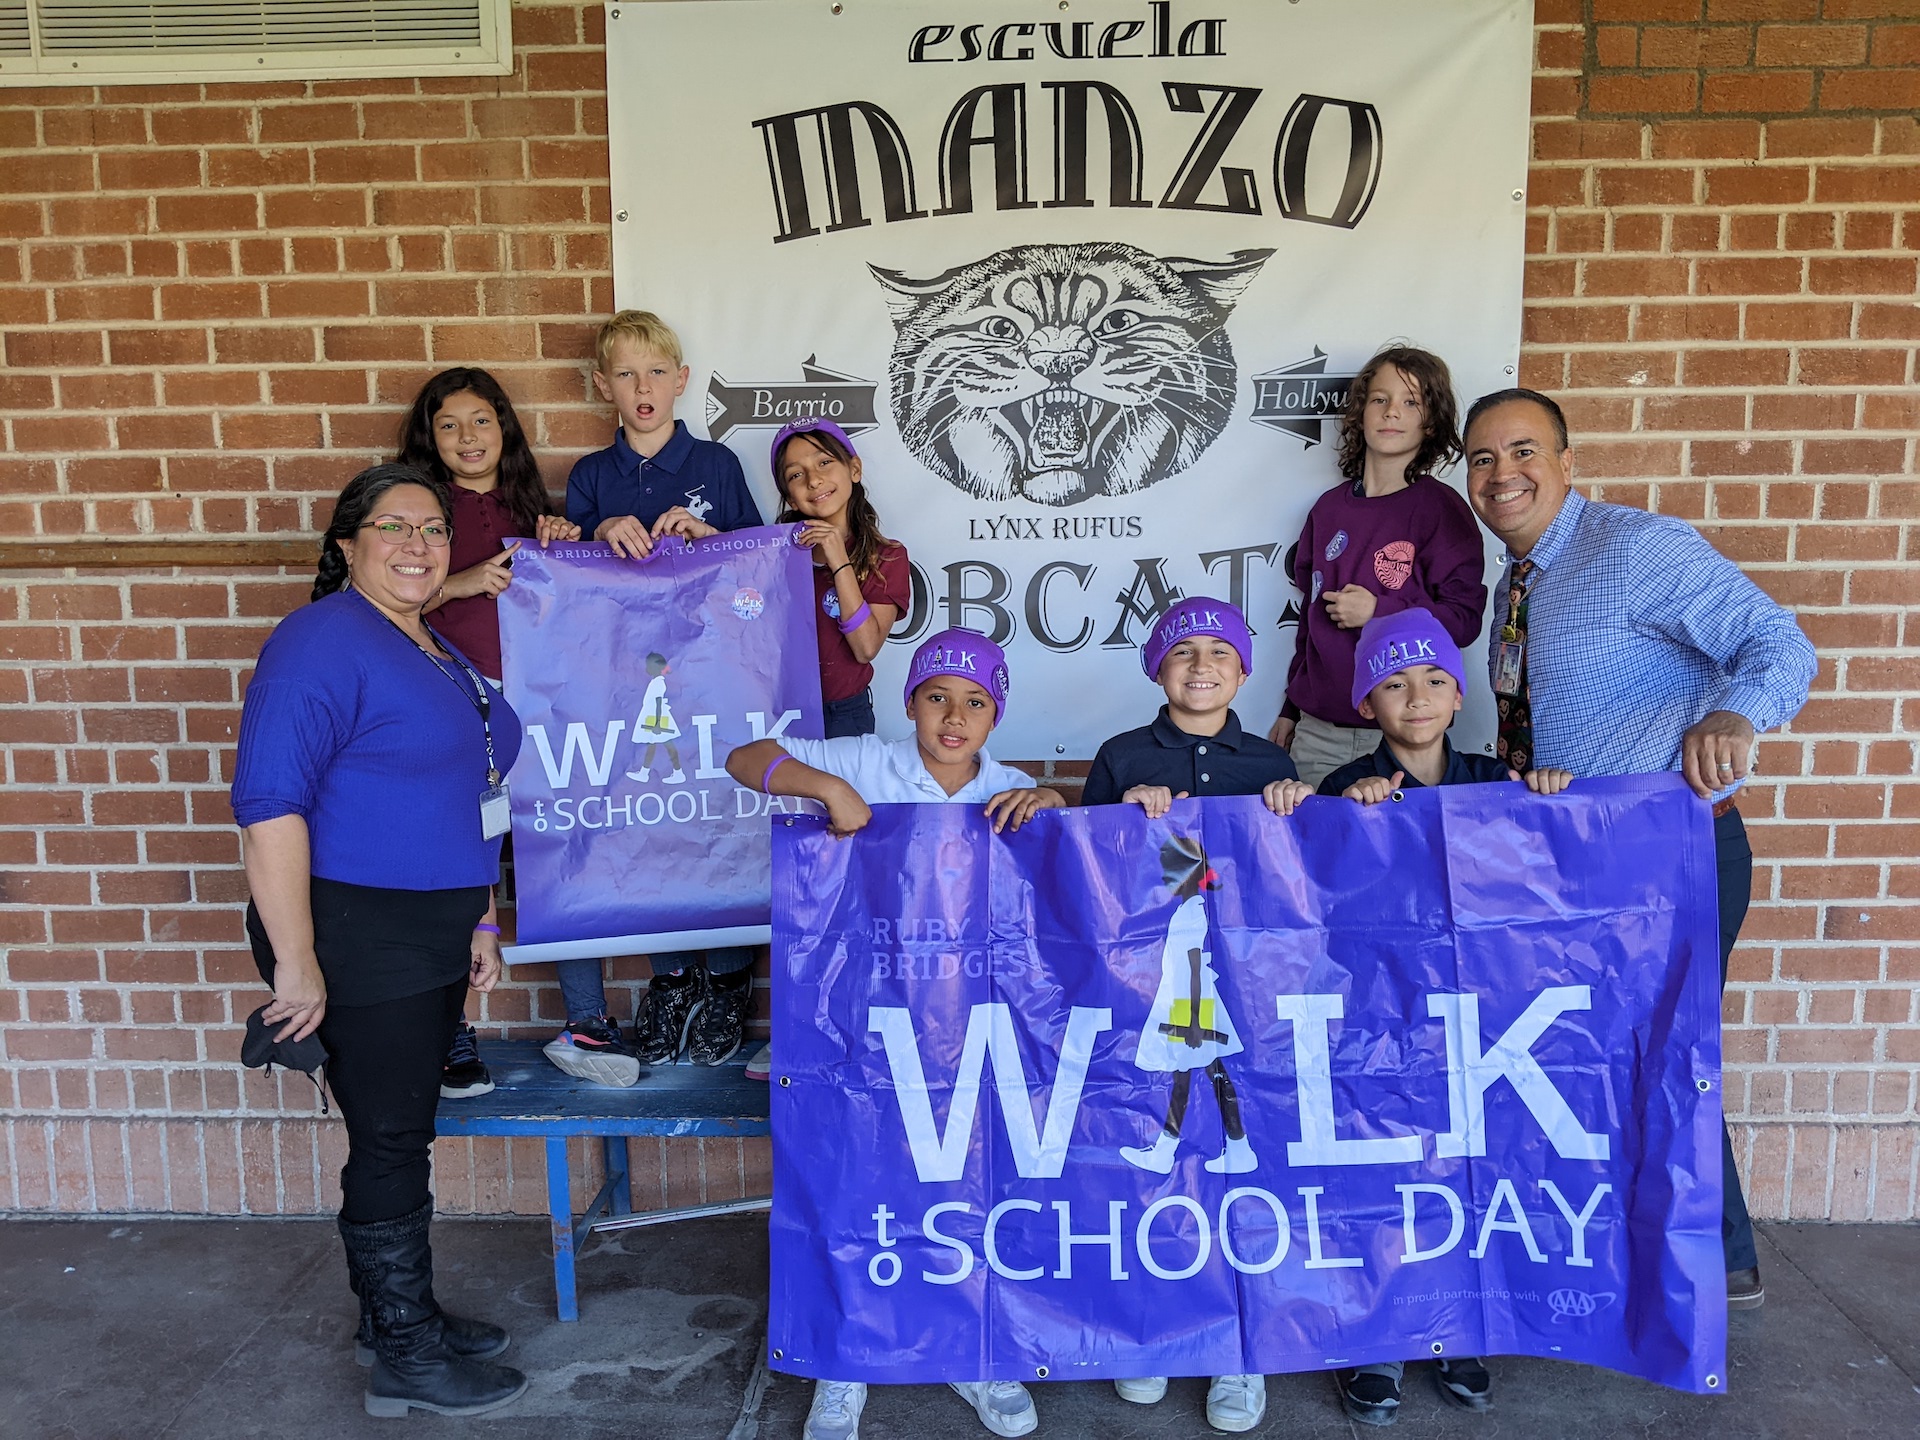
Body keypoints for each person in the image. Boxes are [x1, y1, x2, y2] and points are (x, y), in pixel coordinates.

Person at [1462, 387, 1817, 1314]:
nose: (1504, 476)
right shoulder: (1517, 582)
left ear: (1568, 462)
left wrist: (1737, 712)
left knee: (1661, 1048)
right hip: (1575, 858)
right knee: (1612, 1048)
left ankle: (1715, 1262)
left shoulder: (1634, 549)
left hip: (1672, 846)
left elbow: (1778, 641)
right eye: (1484, 459)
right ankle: (1672, 1249)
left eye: (1525, 452)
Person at [231, 464, 528, 1419]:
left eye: (434, 528)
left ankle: (400, 1316)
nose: (418, 543)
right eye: (392, 526)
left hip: (430, 926)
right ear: (347, 545)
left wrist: (480, 914)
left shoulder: (427, 643)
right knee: (392, 1136)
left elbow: (463, 793)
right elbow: (269, 804)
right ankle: (403, 1351)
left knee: (403, 1128)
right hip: (356, 928)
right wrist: (297, 960)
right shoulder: (318, 644)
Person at [726, 628, 1064, 1440]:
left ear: (997, 715)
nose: (954, 717)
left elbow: (1064, 889)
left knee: (976, 1188)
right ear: (910, 702)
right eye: (937, 696)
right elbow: (744, 758)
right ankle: (845, 1364)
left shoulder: (1011, 785)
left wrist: (1052, 808)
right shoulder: (869, 762)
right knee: (852, 1183)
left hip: (973, 1031)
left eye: (975, 702)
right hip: (861, 1024)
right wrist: (822, 787)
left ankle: (977, 1353)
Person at [1316, 607, 1571, 1427]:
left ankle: (1460, 1324)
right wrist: (1344, 819)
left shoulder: (1498, 783)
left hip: (1477, 1018)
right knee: (1383, 1169)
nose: (1415, 696)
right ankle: (1377, 1339)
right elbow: (1311, 892)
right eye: (1392, 683)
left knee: (1468, 1167)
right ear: (1367, 705)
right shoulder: (1344, 785)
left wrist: (1547, 803)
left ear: (1458, 696)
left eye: (1431, 680)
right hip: (1378, 1016)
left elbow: (1545, 880)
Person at [1080, 596, 1311, 1435]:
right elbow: (1091, 877)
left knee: (1247, 1183)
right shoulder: (1120, 755)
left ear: (1244, 671)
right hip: (1156, 971)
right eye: (1183, 653)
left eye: (1221, 652)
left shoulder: (1266, 761)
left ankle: (1240, 1354)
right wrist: (1120, 818)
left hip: (1245, 978)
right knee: (1157, 1175)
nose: (1202, 665)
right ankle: (1161, 1336)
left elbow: (1295, 881)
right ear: (1156, 669)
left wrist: (1295, 806)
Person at [551, 310, 767, 1084]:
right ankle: (672, 980)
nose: (643, 388)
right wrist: (597, 529)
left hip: (714, 682)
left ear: (681, 381)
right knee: (650, 821)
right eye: (626, 374)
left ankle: (730, 979)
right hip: (624, 686)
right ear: (604, 386)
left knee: (719, 811)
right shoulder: (590, 476)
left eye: (656, 372)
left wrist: (710, 541)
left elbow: (760, 576)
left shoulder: (717, 464)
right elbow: (561, 591)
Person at [395, 366, 581, 1099]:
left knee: (562, 842)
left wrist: (563, 543)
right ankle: (451, 1031)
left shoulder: (528, 505)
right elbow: (381, 595)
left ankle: (588, 1020)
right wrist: (464, 582)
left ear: (503, 428)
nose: (467, 437)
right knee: (455, 863)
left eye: (481, 421)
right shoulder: (417, 510)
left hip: (533, 706)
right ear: (428, 438)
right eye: (449, 425)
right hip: (447, 700)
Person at [1269, 346, 1488, 787]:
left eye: (1412, 402)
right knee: (1318, 852)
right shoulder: (1327, 510)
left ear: (1431, 422)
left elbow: (1463, 621)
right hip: (1319, 733)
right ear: (1361, 412)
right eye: (1380, 399)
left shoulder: (1442, 510)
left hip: (1406, 738)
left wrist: (1379, 611)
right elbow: (1309, 626)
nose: (1392, 413)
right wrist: (1291, 709)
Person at [771, 418, 910, 741]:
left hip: (844, 714)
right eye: (796, 474)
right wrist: (708, 542)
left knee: (841, 793)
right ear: (790, 498)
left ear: (854, 470)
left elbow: (865, 647)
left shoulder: (887, 556)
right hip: (777, 708)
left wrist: (838, 558)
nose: (814, 480)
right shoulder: (775, 553)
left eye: (824, 463)